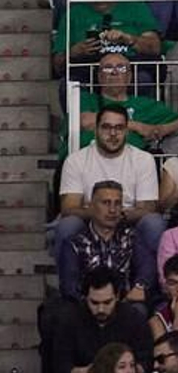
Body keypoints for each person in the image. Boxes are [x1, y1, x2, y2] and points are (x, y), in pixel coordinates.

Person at [55, 105, 163, 267]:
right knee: (68, 225)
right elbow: (69, 208)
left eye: (119, 128)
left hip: (129, 219)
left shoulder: (144, 159)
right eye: (106, 127)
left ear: (127, 131)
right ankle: (70, 283)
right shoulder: (75, 160)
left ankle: (146, 282)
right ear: (96, 130)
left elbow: (148, 207)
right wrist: (99, 214)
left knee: (154, 223)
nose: (113, 133)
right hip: (89, 221)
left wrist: (118, 214)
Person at [57, 180, 155, 304]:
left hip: (125, 304)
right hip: (86, 306)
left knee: (139, 310)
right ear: (91, 206)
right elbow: (69, 286)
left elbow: (147, 267)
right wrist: (96, 304)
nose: (112, 210)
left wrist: (140, 286)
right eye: (106, 203)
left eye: (117, 203)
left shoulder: (132, 238)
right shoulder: (75, 243)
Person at [68, 50, 178, 153]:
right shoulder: (86, 98)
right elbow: (84, 121)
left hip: (134, 164)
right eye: (108, 68)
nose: (114, 72)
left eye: (121, 68)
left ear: (129, 77)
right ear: (100, 76)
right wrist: (138, 126)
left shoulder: (144, 104)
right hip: (90, 161)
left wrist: (161, 130)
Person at [48, 267, 154, 373]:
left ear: (117, 296)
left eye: (107, 302)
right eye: (94, 303)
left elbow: (146, 360)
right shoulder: (69, 321)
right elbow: (60, 364)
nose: (101, 309)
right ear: (85, 297)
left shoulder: (134, 319)